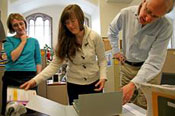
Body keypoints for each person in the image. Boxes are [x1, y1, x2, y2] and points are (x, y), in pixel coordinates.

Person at [20, 4, 107, 105]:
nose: (70, 25)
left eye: (73, 21)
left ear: (80, 19)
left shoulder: (94, 36)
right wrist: (35, 80)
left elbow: (102, 60)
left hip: (94, 83)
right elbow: (54, 65)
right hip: (74, 85)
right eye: (67, 23)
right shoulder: (64, 40)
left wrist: (103, 77)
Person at [108, 0, 173, 109]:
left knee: (145, 107)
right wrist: (115, 51)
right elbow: (112, 30)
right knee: (123, 104)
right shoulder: (125, 13)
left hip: (149, 73)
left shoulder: (165, 27)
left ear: (163, 15)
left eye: (155, 16)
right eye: (147, 11)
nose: (147, 18)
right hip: (127, 68)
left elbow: (154, 62)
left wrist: (134, 84)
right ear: (144, 1)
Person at [1, 13, 42, 115]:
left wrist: (37, 79)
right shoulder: (8, 40)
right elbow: (13, 57)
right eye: (15, 25)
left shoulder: (34, 41)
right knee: (11, 110)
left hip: (29, 77)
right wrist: (23, 41)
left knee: (29, 110)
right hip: (12, 77)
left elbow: (38, 61)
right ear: (12, 27)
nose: (19, 27)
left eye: (21, 23)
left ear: (25, 23)